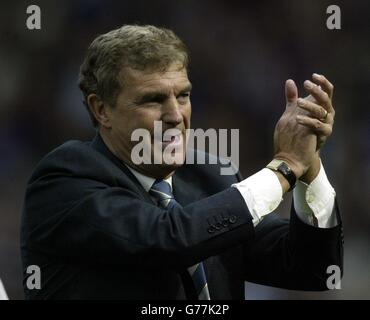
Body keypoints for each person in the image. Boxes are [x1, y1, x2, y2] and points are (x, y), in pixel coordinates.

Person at [21, 25, 343, 299]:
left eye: (183, 95)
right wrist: (284, 168)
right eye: (153, 99)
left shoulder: (210, 178)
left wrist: (308, 163)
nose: (175, 115)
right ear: (101, 109)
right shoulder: (65, 180)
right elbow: (168, 240)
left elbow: (314, 270)